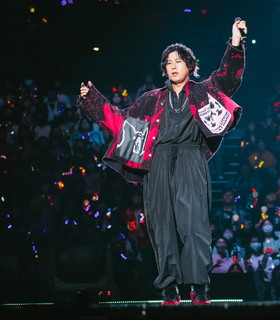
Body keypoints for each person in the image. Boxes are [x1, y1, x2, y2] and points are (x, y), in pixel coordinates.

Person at [77, 19, 248, 305]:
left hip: (191, 160)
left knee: (194, 225)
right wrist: (93, 100)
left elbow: (229, 77)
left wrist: (235, 42)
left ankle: (198, 288)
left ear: (190, 65)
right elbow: (120, 122)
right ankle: (169, 289)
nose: (173, 66)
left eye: (178, 61)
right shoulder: (151, 99)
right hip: (157, 163)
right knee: (161, 227)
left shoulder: (203, 91)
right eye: (168, 62)